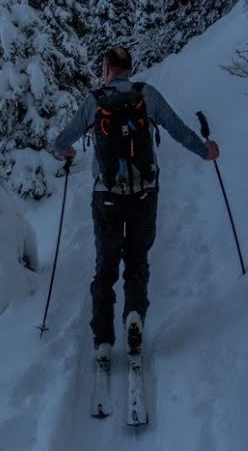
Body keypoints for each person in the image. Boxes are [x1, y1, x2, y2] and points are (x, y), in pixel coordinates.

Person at [51, 46, 219, 361]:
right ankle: (134, 317)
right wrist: (205, 151)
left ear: (106, 68)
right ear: (130, 68)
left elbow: (63, 139)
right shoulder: (147, 95)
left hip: (106, 195)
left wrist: (66, 152)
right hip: (145, 192)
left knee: (105, 266)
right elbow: (178, 129)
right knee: (137, 261)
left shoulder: (94, 101)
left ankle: (102, 340)